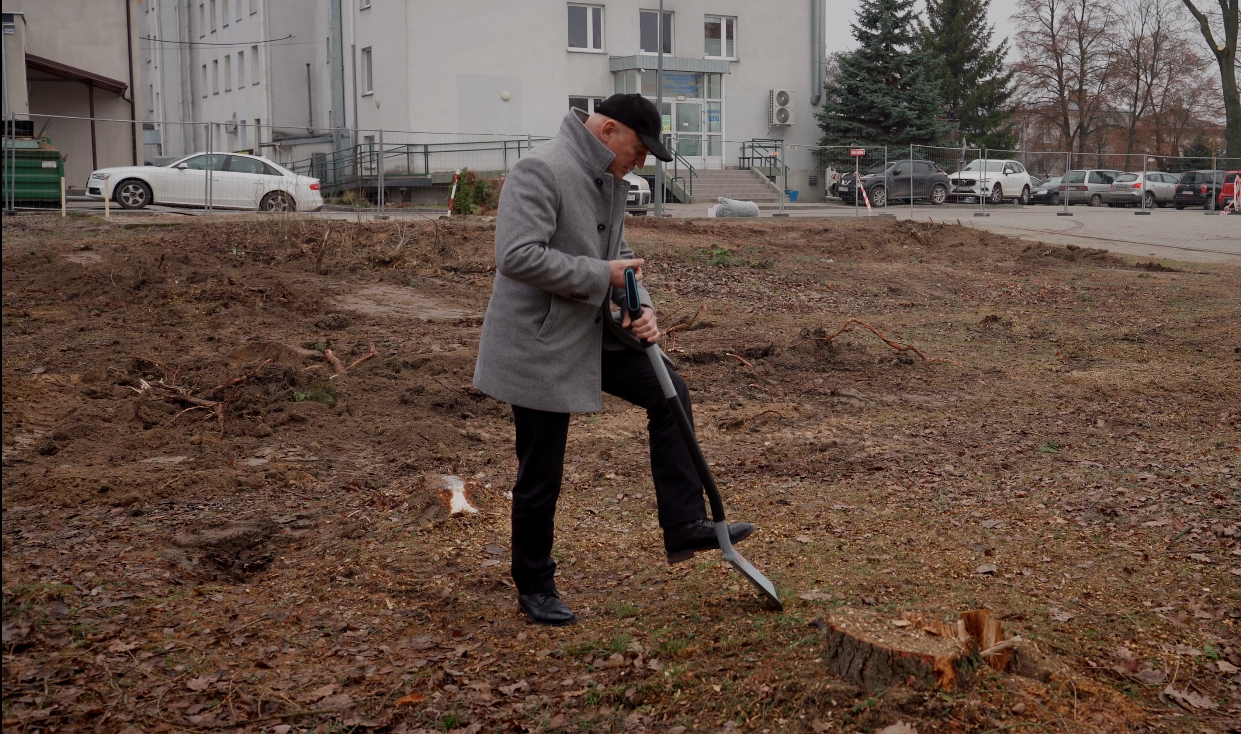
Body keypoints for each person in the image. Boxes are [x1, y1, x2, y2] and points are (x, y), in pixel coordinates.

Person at [473, 94, 756, 626]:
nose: (642, 161)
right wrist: (600, 276)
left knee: (668, 392)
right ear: (608, 130)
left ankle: (685, 522)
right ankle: (534, 584)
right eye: (640, 148)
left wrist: (642, 309)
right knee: (542, 471)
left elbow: (621, 259)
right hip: (539, 344)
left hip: (590, 334)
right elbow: (516, 256)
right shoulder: (541, 169)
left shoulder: (608, 177)